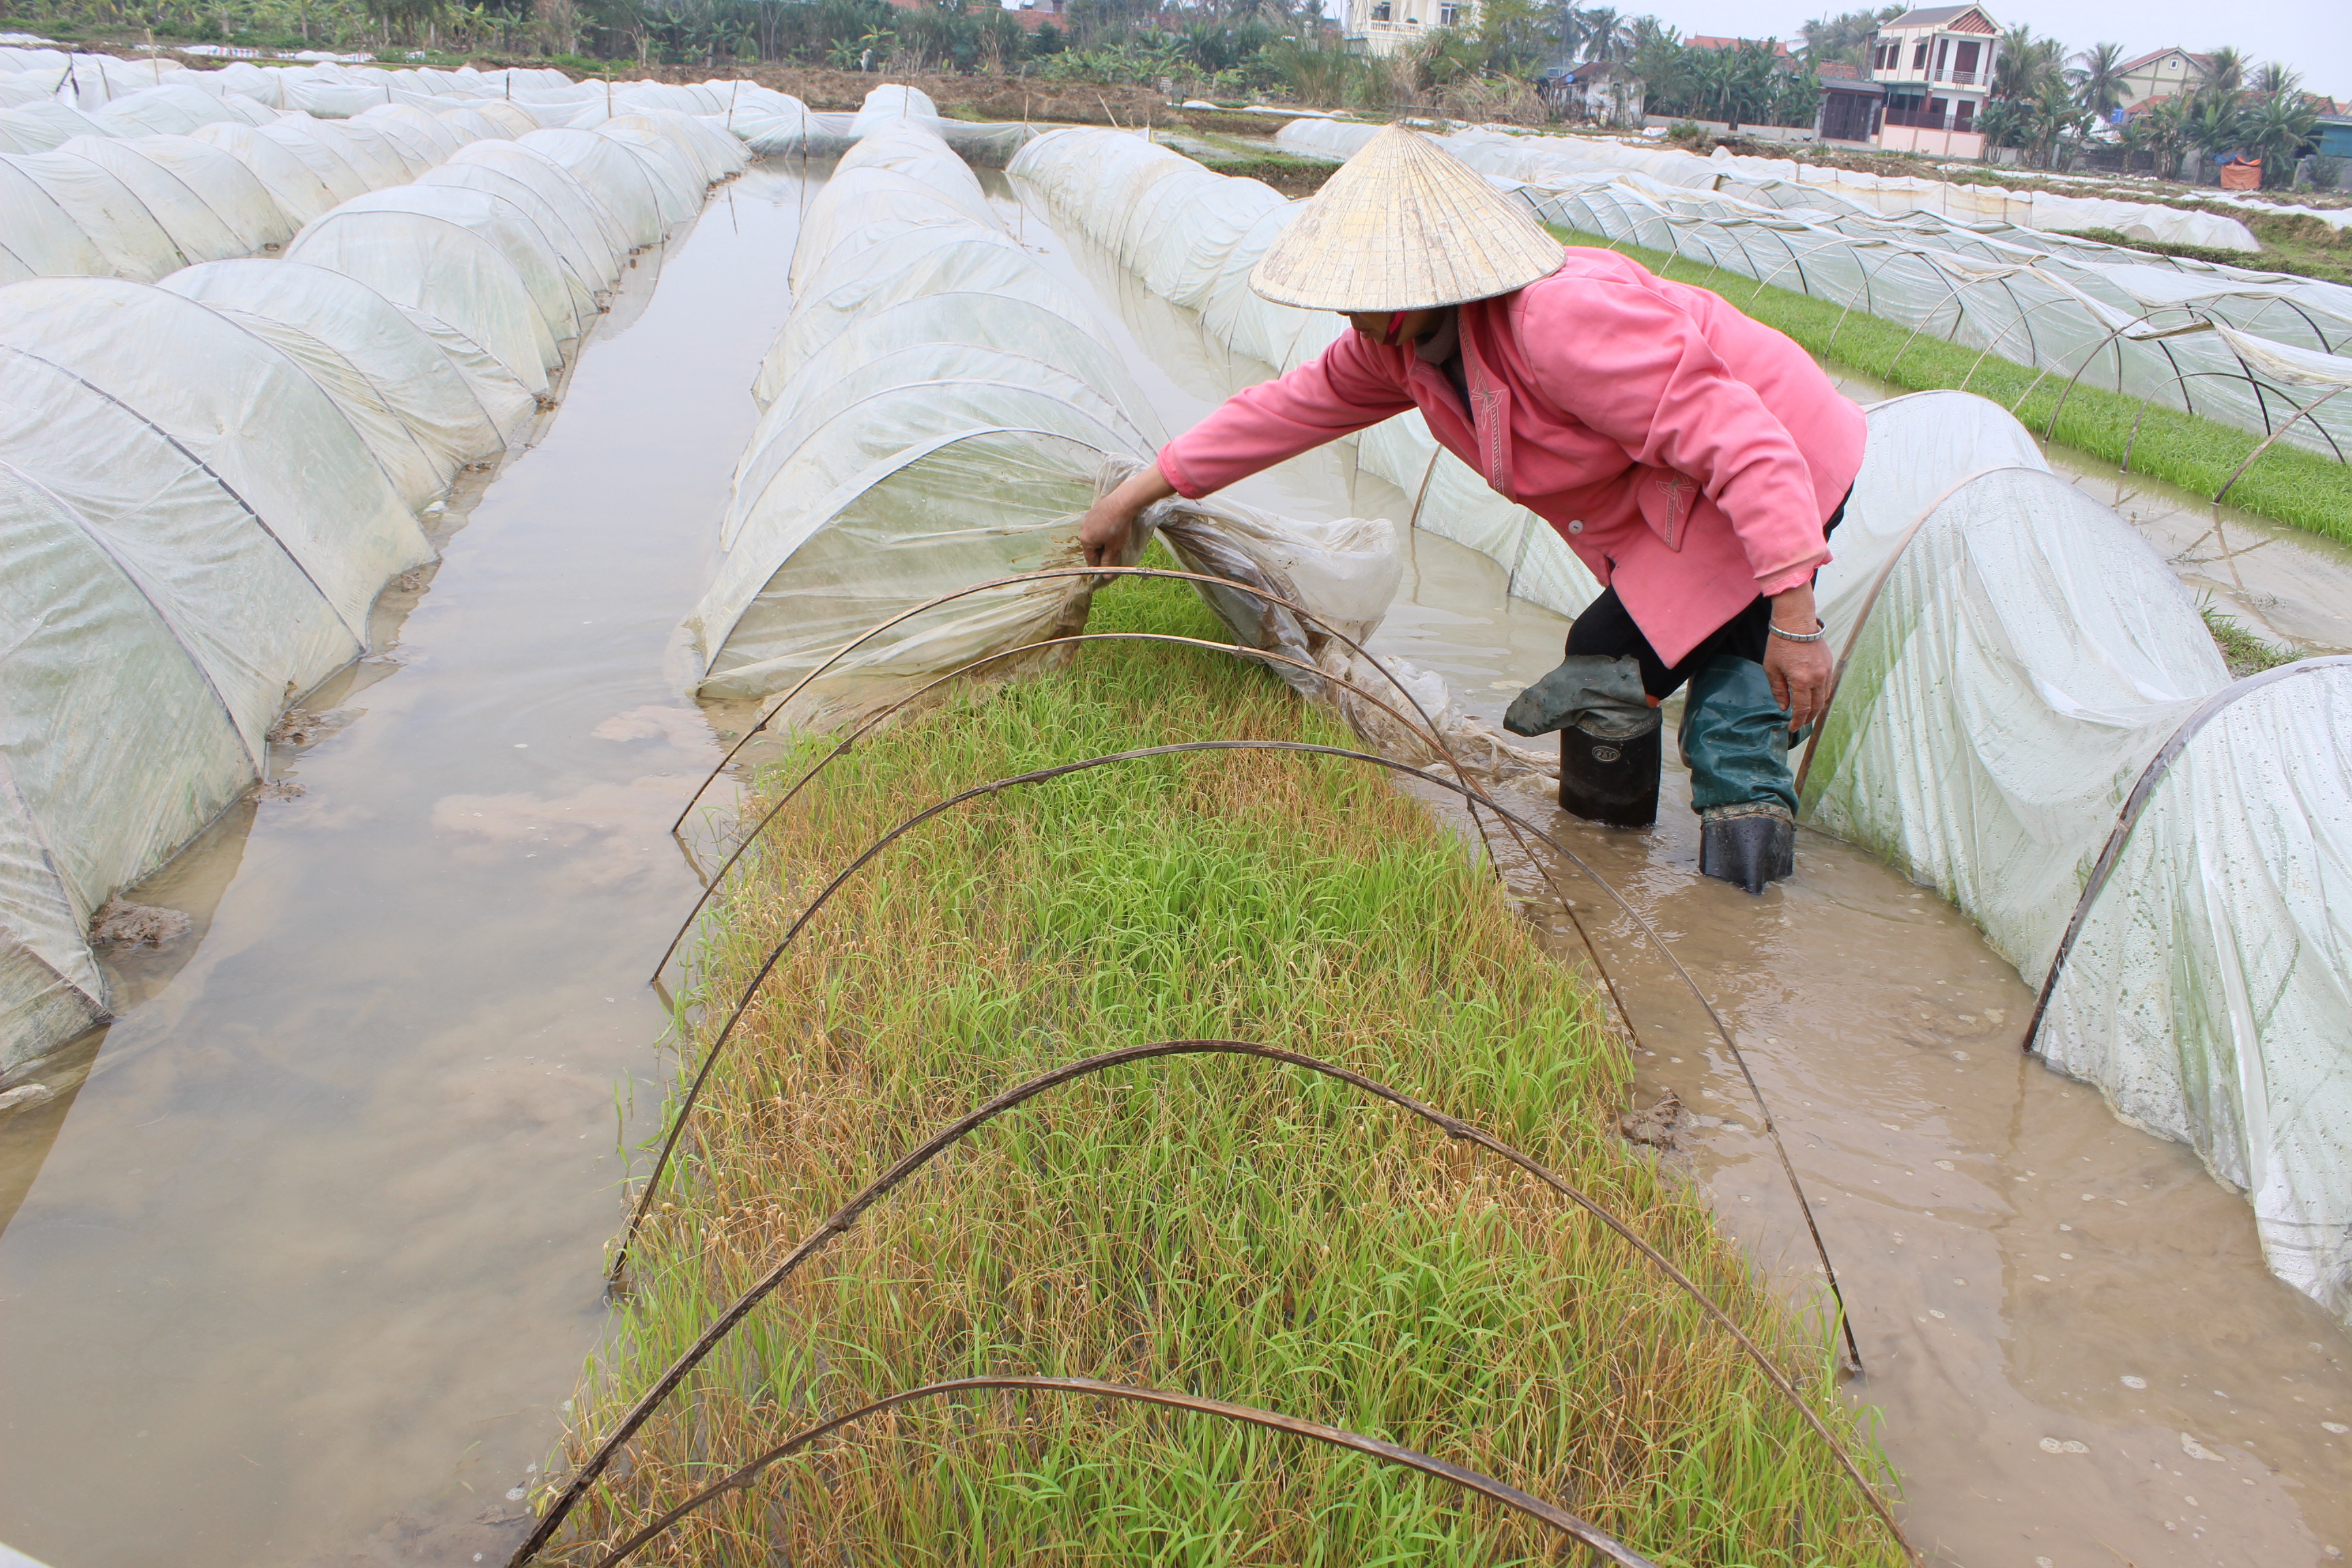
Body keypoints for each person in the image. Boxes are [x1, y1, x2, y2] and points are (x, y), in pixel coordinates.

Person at [1079, 123, 1863, 894]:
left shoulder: (1560, 322)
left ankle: (1742, 917)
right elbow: (1283, 411)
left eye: (1362, 292)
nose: (1347, 313)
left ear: (1422, 282)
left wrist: (1796, 619)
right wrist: (1138, 493)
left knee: (1691, 690)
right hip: (1688, 500)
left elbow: (1744, 445)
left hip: (1783, 465)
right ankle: (1611, 859)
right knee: (1622, 665)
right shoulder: (1400, 349)